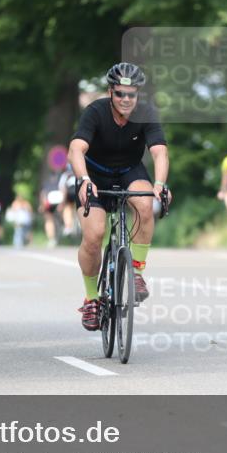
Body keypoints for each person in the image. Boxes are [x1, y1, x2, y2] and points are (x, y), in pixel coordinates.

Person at [68, 62, 171, 331]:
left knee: (145, 204)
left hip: (129, 170)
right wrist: (84, 180)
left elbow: (159, 151)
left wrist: (160, 183)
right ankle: (92, 299)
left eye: (131, 94)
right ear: (110, 92)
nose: (126, 99)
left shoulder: (146, 113)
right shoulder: (95, 112)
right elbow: (76, 149)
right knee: (94, 235)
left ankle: (136, 271)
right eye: (120, 94)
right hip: (95, 174)